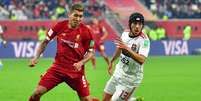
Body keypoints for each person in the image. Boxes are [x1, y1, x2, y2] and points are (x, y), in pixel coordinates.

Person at [28, 3, 98, 101]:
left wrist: (81, 63)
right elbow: (45, 42)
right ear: (69, 14)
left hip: (76, 71)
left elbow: (91, 52)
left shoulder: (86, 32)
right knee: (36, 93)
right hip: (57, 69)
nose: (78, 19)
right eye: (76, 15)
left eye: (80, 16)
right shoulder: (59, 26)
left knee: (87, 100)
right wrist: (36, 57)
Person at [102, 12, 150, 101]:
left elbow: (142, 59)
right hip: (118, 72)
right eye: (135, 23)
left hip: (131, 79)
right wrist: (112, 61)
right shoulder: (125, 33)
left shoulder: (144, 40)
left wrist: (127, 49)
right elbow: (120, 48)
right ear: (130, 24)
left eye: (140, 24)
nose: (137, 26)